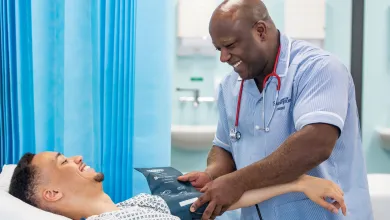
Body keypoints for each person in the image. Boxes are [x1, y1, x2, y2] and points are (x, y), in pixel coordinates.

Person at [177, 0, 373, 220]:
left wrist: (238, 182)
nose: (223, 57)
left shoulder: (318, 68)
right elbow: (224, 147)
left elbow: (315, 144)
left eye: (230, 46)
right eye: (218, 49)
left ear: (260, 31)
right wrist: (211, 175)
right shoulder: (230, 86)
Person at [8, 152, 347, 220]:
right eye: (64, 162)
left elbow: (214, 201)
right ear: (51, 195)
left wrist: (299, 183)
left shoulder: (134, 207)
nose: (77, 156)